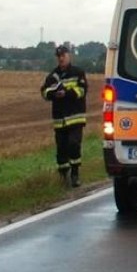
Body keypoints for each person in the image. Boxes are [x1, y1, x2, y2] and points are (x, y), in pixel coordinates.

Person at [40, 45, 88, 187]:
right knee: (61, 149)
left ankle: (75, 174)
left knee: (74, 145)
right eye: (59, 56)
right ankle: (63, 176)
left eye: (63, 56)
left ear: (69, 56)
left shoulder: (78, 72)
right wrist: (52, 93)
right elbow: (44, 92)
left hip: (76, 117)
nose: (61, 58)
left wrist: (66, 93)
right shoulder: (52, 76)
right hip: (59, 120)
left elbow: (82, 90)